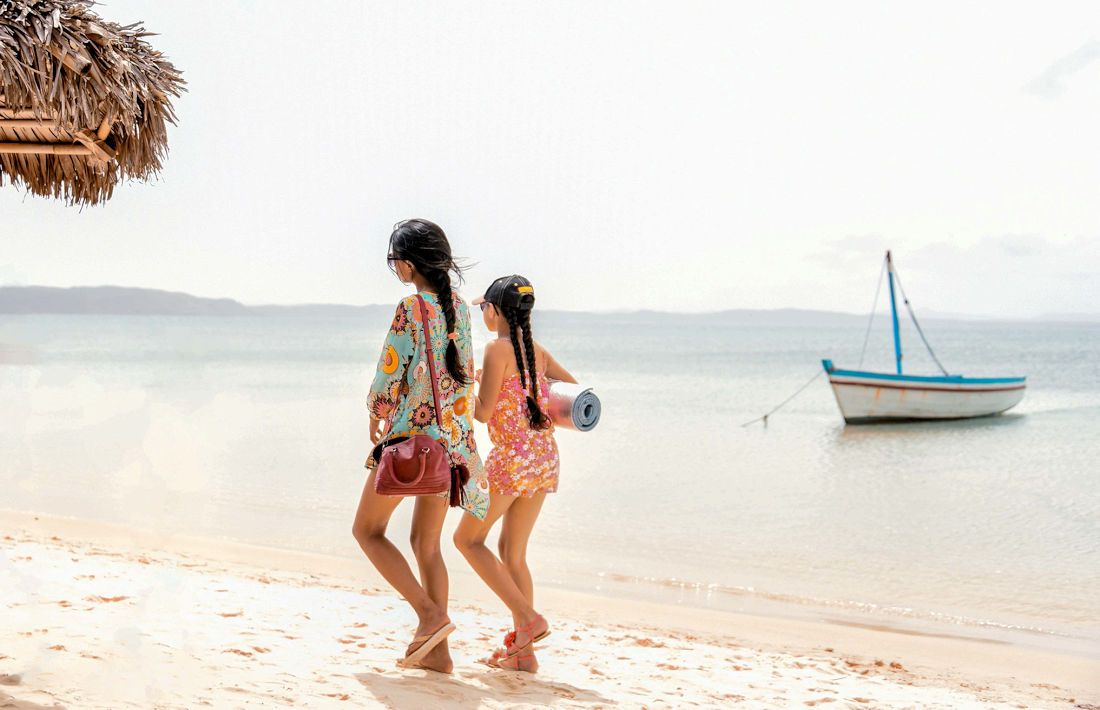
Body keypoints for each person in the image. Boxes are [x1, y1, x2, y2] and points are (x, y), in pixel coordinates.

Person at [352, 219, 489, 674]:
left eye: (395, 262)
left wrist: (375, 408)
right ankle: (439, 655)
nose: (395, 270)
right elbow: (461, 376)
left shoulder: (411, 309)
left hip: (412, 439)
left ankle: (430, 617)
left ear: (408, 264)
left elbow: (391, 366)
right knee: (426, 545)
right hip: (451, 445)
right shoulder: (460, 311)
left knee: (367, 532)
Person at [453, 275, 577, 673]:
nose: (482, 315)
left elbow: (483, 412)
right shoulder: (536, 350)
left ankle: (529, 619)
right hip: (543, 457)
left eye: (483, 308)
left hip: (511, 460)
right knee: (512, 552)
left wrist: (460, 383)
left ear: (496, 310)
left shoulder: (495, 349)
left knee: (467, 539)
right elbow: (573, 389)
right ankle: (523, 654)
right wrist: (534, 404)